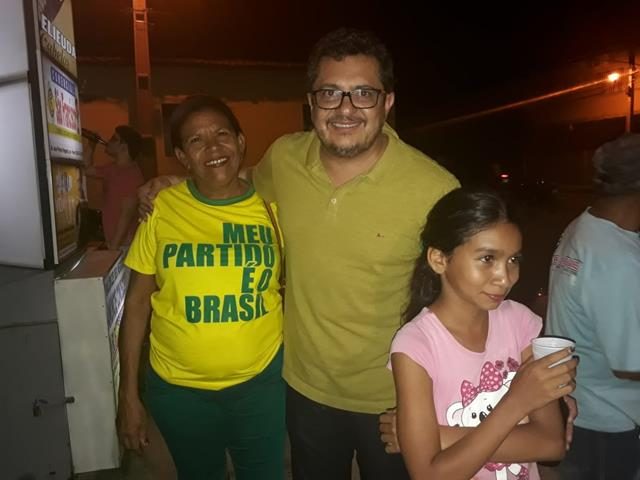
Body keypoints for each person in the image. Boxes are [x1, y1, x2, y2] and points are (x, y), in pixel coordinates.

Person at [139, 28, 459, 479]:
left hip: (393, 396)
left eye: (363, 93)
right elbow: (240, 181)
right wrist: (177, 182)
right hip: (305, 391)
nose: (345, 108)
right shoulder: (285, 158)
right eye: (330, 93)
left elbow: (463, 304)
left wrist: (437, 404)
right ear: (311, 103)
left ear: (387, 102)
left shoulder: (436, 189)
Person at [117, 96, 285, 480]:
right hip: (179, 393)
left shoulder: (273, 208)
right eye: (196, 140)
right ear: (182, 156)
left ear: (240, 142)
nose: (212, 147)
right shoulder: (161, 208)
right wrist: (128, 394)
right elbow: (137, 304)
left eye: (222, 134)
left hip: (261, 386)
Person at [389, 188, 577, 479]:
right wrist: (517, 402)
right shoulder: (416, 344)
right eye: (488, 258)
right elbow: (429, 475)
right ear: (439, 259)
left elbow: (551, 444)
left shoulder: (519, 321)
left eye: (513, 260)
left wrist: (440, 437)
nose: (506, 277)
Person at [545, 133, 640, 480]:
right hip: (609, 423)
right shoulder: (616, 258)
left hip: (579, 408)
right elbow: (630, 365)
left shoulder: (585, 226)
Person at [84, 125, 145, 249]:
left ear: (124, 146)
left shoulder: (131, 176)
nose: (109, 141)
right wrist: (91, 144)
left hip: (124, 246)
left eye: (114, 139)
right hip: (115, 244)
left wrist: (113, 248)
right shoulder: (112, 169)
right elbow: (86, 169)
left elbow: (126, 217)